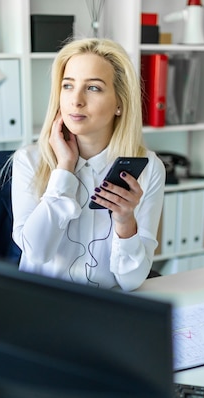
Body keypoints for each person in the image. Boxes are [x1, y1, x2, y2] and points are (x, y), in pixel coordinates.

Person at [11, 38, 165, 291]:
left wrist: (126, 221)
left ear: (119, 103)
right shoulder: (29, 161)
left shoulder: (148, 168)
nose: (76, 100)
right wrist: (64, 169)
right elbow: (36, 254)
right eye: (68, 86)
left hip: (109, 308)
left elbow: (132, 281)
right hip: (44, 306)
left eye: (93, 88)